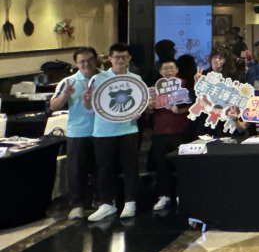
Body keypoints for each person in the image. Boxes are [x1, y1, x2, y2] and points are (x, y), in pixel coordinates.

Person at [83, 43, 143, 222]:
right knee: (104, 168)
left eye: (124, 57)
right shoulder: (98, 78)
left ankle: (130, 202)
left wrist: (141, 110)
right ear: (110, 58)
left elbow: (140, 103)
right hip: (103, 130)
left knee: (130, 166)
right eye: (117, 57)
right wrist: (86, 99)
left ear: (129, 58)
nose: (120, 60)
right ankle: (106, 203)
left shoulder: (136, 78)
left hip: (129, 128)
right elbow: (89, 107)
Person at [50, 47, 101, 220]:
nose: (86, 64)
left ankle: (102, 201)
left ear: (96, 60)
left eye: (90, 60)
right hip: (78, 132)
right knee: (76, 171)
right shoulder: (68, 82)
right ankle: (77, 205)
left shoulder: (106, 78)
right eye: (82, 61)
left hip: (103, 131)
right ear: (76, 64)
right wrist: (65, 95)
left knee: (102, 169)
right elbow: (53, 106)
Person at [147, 59, 196, 212]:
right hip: (160, 131)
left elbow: (195, 106)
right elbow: (148, 111)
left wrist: (180, 110)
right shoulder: (154, 88)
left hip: (181, 131)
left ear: (177, 70)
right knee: (162, 166)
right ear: (160, 72)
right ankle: (164, 195)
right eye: (165, 69)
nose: (168, 71)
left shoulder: (185, 85)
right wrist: (149, 106)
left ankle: (183, 195)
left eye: (171, 68)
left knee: (182, 166)